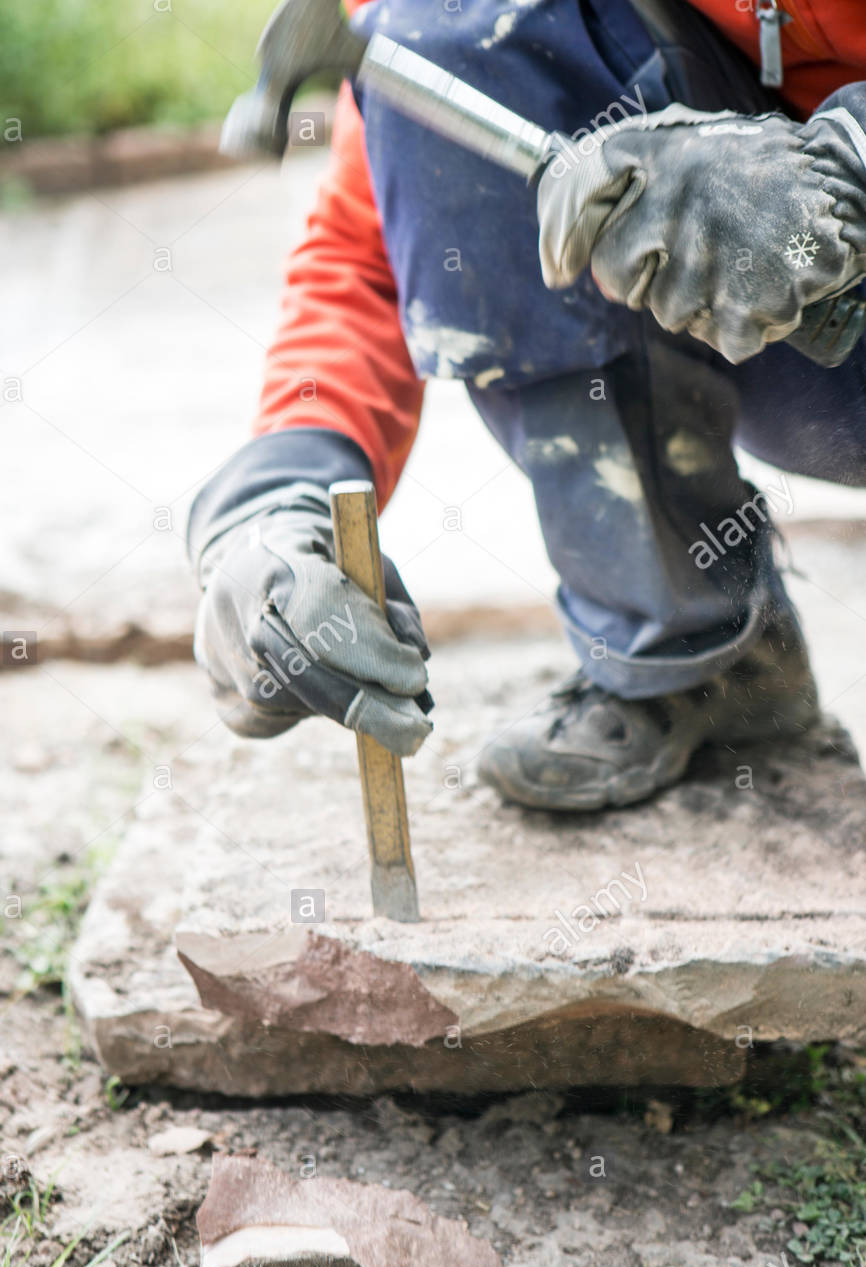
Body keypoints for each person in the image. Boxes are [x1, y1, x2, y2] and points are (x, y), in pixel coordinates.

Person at [187, 0, 866, 812]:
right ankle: (703, 656)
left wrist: (842, 168)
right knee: (460, 39)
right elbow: (369, 254)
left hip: (818, 237)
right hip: (797, 331)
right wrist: (273, 498)